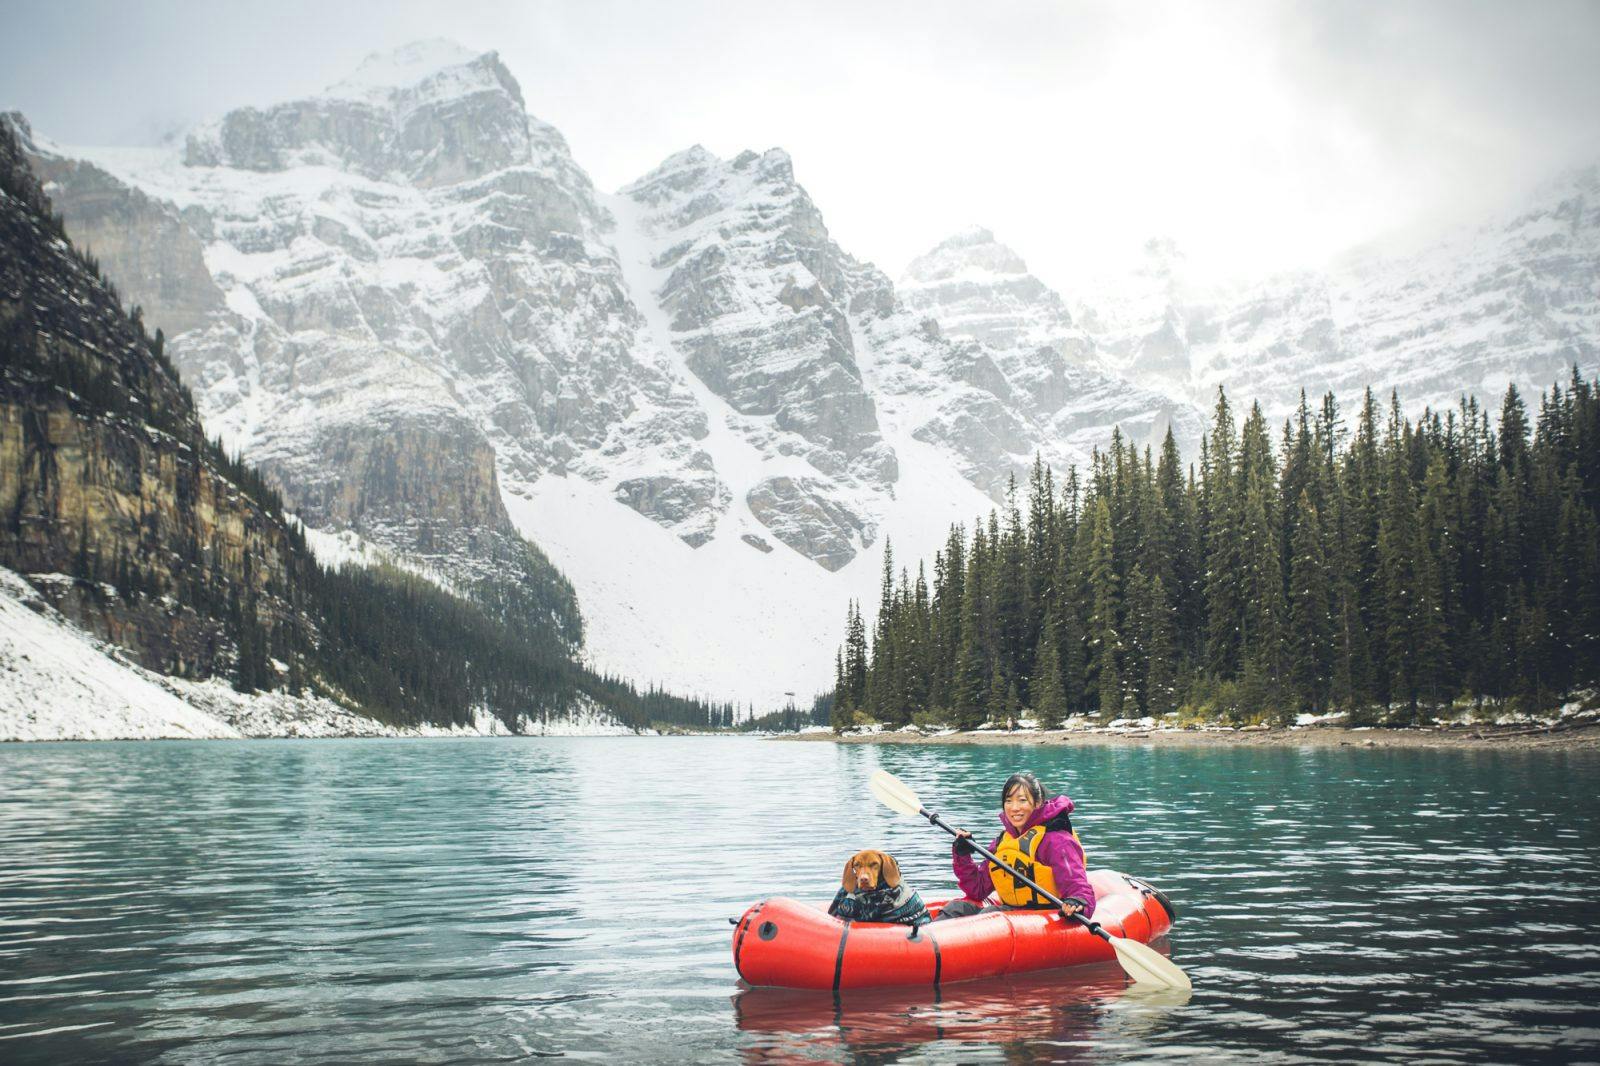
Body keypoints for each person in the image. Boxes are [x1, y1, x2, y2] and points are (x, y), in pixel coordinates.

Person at [933, 770, 1095, 922]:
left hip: (1044, 917)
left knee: (988, 916)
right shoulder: (1003, 842)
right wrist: (963, 854)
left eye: (1022, 800)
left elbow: (1078, 886)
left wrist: (1077, 902)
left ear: (1037, 803)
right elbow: (978, 889)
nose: (1014, 808)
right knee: (956, 908)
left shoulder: (1056, 840)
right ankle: (924, 943)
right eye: (1008, 801)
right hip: (1011, 912)